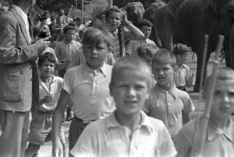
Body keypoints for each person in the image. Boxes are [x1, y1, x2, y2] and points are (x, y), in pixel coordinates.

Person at [71, 55, 177, 157]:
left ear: (148, 91)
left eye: (138, 87)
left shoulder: (158, 129)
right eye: (123, 86)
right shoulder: (94, 132)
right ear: (111, 89)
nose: (131, 93)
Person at [0, 0, 50, 156]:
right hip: (13, 94)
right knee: (11, 147)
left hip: (22, 94)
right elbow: (4, 53)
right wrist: (36, 48)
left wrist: (36, 45)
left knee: (20, 144)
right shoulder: (9, 18)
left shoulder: (22, 17)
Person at [52, 26, 115, 156]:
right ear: (82, 49)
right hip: (79, 130)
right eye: (89, 47)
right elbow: (59, 110)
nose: (94, 52)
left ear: (109, 50)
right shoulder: (72, 74)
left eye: (99, 48)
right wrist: (56, 139)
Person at [174, 67, 234, 157]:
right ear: (204, 95)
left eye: (231, 94)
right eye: (217, 93)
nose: (225, 100)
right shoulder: (188, 133)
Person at [143, 48, 195, 138]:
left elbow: (187, 122)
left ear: (174, 70)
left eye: (165, 69)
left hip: (178, 145)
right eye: (157, 69)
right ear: (152, 71)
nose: (161, 73)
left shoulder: (184, 96)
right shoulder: (147, 97)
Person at [25, 52, 66, 157]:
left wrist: (64, 111)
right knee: (34, 147)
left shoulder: (59, 81)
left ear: (55, 67)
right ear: (39, 67)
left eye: (51, 65)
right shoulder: (34, 83)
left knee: (61, 143)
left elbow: (65, 97)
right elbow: (30, 103)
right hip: (39, 117)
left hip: (55, 116)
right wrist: (42, 101)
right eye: (45, 65)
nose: (48, 68)